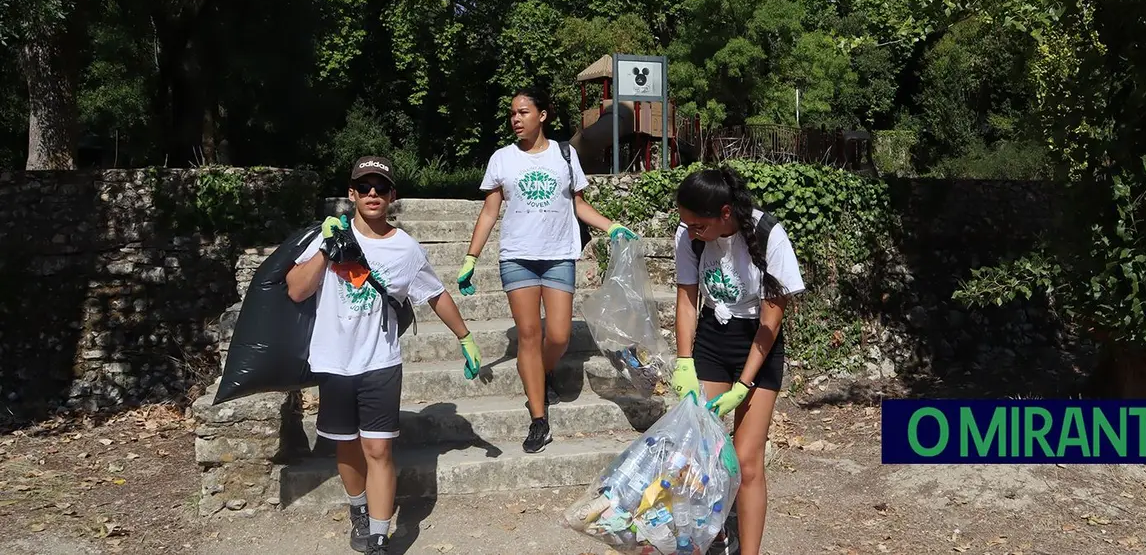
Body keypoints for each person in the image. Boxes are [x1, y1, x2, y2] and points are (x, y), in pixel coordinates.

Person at [286, 155, 483, 555]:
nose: (372, 194)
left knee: (378, 448)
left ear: (392, 196)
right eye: (364, 187)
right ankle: (358, 508)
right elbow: (296, 289)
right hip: (335, 360)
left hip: (381, 361)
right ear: (352, 194)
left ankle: (378, 535)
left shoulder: (405, 247)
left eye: (381, 187)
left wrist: (464, 337)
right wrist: (327, 247)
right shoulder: (326, 236)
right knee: (346, 445)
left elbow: (435, 293)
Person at [456, 88, 637, 454]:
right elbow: (490, 211)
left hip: (558, 255)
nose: (516, 119)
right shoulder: (502, 159)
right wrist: (471, 257)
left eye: (523, 112)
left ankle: (543, 371)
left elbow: (580, 206)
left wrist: (610, 225)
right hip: (517, 257)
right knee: (528, 334)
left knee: (557, 336)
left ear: (543, 115)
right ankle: (538, 418)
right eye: (512, 113)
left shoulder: (564, 155)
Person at [667, 165, 806, 555]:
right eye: (686, 223)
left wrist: (744, 385)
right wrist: (684, 361)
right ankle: (707, 533)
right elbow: (686, 299)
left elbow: (771, 319)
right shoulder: (688, 235)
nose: (690, 231)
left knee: (746, 460)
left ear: (725, 213)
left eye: (697, 224)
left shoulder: (767, 235)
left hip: (757, 345)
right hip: (712, 337)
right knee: (698, 450)